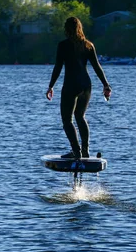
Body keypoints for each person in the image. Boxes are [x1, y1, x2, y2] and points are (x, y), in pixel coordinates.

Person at [46, 17, 112, 159]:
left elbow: (58, 67)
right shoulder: (88, 45)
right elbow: (97, 67)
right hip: (86, 85)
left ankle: (77, 152)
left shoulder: (63, 45)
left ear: (66, 29)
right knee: (80, 117)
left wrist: (51, 86)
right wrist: (106, 85)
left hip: (71, 84)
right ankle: (85, 151)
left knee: (67, 120)